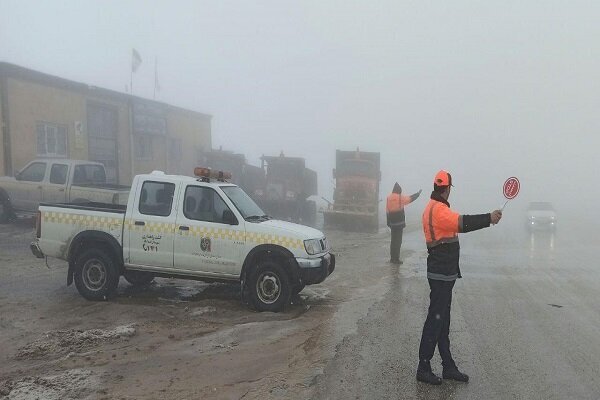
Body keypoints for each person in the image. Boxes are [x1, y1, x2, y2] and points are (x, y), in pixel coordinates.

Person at [416, 170, 502, 385]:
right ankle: (423, 367)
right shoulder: (439, 210)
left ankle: (448, 366)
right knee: (436, 320)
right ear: (447, 189)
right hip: (441, 273)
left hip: (443, 272)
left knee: (442, 320)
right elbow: (462, 223)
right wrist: (489, 219)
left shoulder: (434, 207)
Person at [386, 183, 421, 264]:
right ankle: (396, 259)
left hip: (392, 223)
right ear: (399, 190)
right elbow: (410, 199)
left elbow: (387, 211)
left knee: (393, 241)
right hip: (399, 223)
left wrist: (388, 222)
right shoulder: (400, 197)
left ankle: (392, 258)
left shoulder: (389, 198)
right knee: (398, 241)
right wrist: (417, 194)